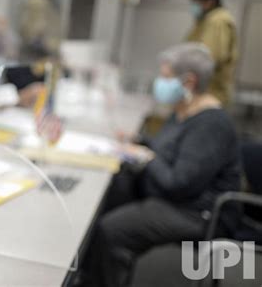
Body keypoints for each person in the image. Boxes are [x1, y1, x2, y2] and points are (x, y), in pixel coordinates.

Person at [91, 43, 241, 287]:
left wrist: (147, 156)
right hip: (175, 199)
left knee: (113, 229)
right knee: (113, 193)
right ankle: (92, 274)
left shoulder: (210, 125)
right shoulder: (184, 110)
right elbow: (169, 149)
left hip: (195, 211)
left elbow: (178, 183)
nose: (160, 82)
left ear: (188, 82)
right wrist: (139, 142)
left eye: (166, 76)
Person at [186, 0, 237, 106]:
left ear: (210, 0)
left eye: (195, 0)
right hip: (205, 91)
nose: (193, 5)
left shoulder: (218, 21)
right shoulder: (206, 20)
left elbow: (208, 58)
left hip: (211, 93)